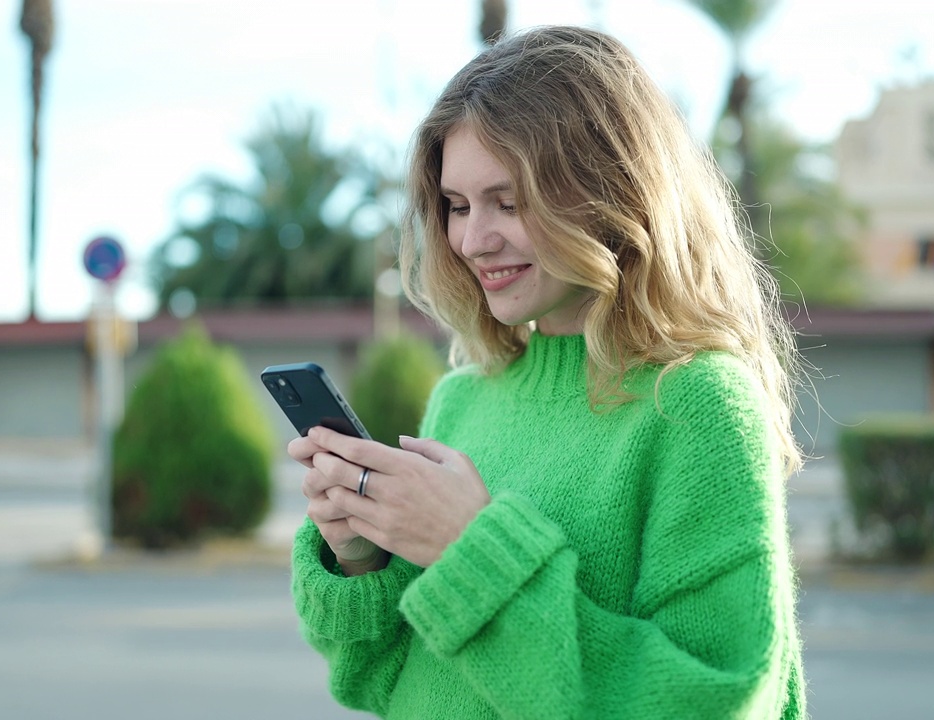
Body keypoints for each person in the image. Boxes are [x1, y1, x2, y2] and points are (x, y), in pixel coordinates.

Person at [287, 25, 807, 719]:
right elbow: (387, 682)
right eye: (458, 206)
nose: (474, 239)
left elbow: (714, 699)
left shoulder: (697, 403)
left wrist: (466, 548)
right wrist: (361, 556)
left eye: (510, 201)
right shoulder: (462, 401)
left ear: (613, 190)